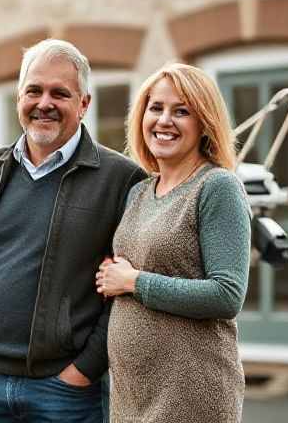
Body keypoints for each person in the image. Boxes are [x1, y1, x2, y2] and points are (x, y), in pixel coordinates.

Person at [0, 38, 146, 423]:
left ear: (84, 103)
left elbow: (126, 290)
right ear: (19, 97)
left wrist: (84, 370)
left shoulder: (120, 178)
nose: (44, 103)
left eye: (60, 93)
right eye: (33, 90)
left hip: (65, 392)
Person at [95, 63, 250, 422]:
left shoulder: (216, 187)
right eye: (156, 108)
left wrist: (134, 282)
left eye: (181, 111)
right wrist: (113, 275)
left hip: (190, 396)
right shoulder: (138, 192)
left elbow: (227, 295)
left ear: (204, 124)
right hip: (133, 397)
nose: (164, 120)